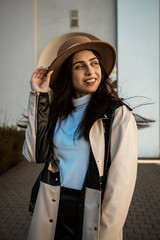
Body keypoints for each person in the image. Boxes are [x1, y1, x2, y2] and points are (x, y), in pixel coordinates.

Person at [22, 36, 138, 240]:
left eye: (94, 63)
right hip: (52, 205)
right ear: (68, 73)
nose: (90, 71)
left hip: (92, 211)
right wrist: (39, 97)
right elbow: (34, 155)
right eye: (79, 66)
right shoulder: (57, 113)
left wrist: (106, 233)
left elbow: (121, 185)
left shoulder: (117, 115)